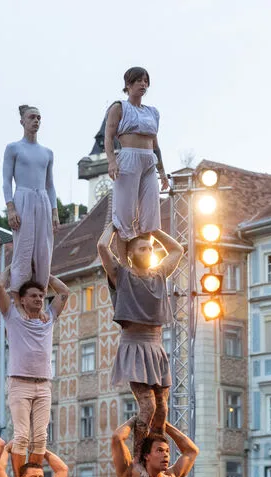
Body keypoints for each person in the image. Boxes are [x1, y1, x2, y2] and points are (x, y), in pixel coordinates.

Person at [98, 215, 184, 439]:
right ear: (130, 253)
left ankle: (156, 451)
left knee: (162, 409)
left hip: (155, 346)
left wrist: (153, 230)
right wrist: (115, 226)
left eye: (150, 249)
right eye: (142, 249)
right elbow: (101, 246)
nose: (149, 252)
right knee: (148, 408)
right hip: (134, 344)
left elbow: (176, 250)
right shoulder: (121, 275)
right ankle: (138, 457)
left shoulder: (158, 275)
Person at [0, 268, 69, 477]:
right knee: (21, 436)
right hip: (20, 383)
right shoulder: (13, 317)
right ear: (23, 300)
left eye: (41, 296)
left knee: (41, 438)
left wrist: (46, 276)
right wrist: (11, 269)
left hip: (44, 384)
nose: (38, 299)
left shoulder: (48, 319)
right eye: (33, 296)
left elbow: (64, 293)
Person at [103, 66, 168, 270]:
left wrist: (162, 171)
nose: (143, 84)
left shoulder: (152, 112)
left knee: (150, 215)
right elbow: (108, 136)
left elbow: (156, 144)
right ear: (128, 85)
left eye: (145, 81)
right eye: (138, 80)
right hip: (129, 157)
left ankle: (145, 263)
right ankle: (124, 264)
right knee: (124, 216)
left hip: (148, 160)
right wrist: (112, 160)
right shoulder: (119, 107)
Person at [2, 104, 58, 294]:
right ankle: (17, 293)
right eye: (32, 117)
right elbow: (6, 181)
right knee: (23, 249)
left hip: (42, 199)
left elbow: (50, 184)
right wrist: (10, 208)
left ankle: (39, 292)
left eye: (38, 118)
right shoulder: (13, 148)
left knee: (44, 249)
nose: (36, 121)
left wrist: (55, 211)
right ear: (22, 121)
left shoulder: (47, 153)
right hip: (23, 197)